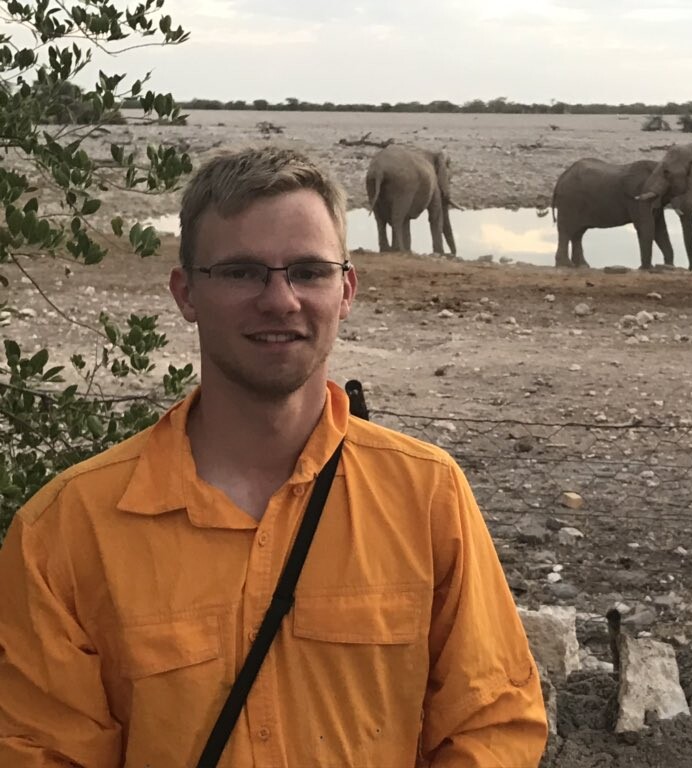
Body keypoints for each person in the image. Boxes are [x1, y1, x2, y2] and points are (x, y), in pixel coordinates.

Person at [0, 147, 548, 766]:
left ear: (346, 290)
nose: (281, 300)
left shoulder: (427, 497)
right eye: (240, 272)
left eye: (309, 272)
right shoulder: (68, 530)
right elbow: (39, 751)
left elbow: (493, 723)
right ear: (186, 294)